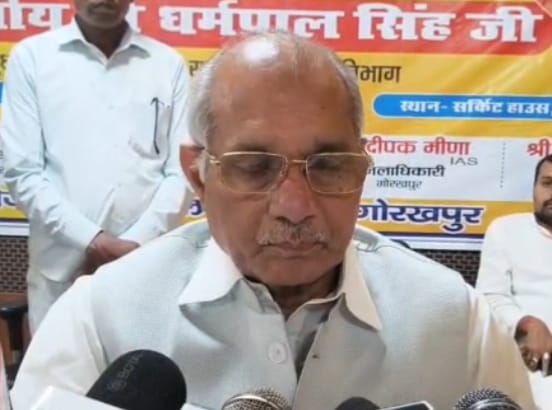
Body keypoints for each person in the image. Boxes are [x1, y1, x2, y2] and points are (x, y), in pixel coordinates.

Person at [10, 32, 536, 410]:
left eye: (328, 166)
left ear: (362, 168)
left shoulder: (454, 319)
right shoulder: (102, 316)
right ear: (197, 174)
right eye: (254, 167)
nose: (295, 205)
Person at [0, 0, 193, 332]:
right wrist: (93, 240)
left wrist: (134, 245)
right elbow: (23, 172)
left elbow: (183, 171)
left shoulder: (167, 64)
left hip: (147, 266)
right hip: (62, 271)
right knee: (62, 364)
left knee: (142, 363)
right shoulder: (32, 58)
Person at [476, 154, 552, 408]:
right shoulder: (507, 230)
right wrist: (526, 324)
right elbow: (489, 297)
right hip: (529, 362)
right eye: (547, 183)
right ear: (534, 187)